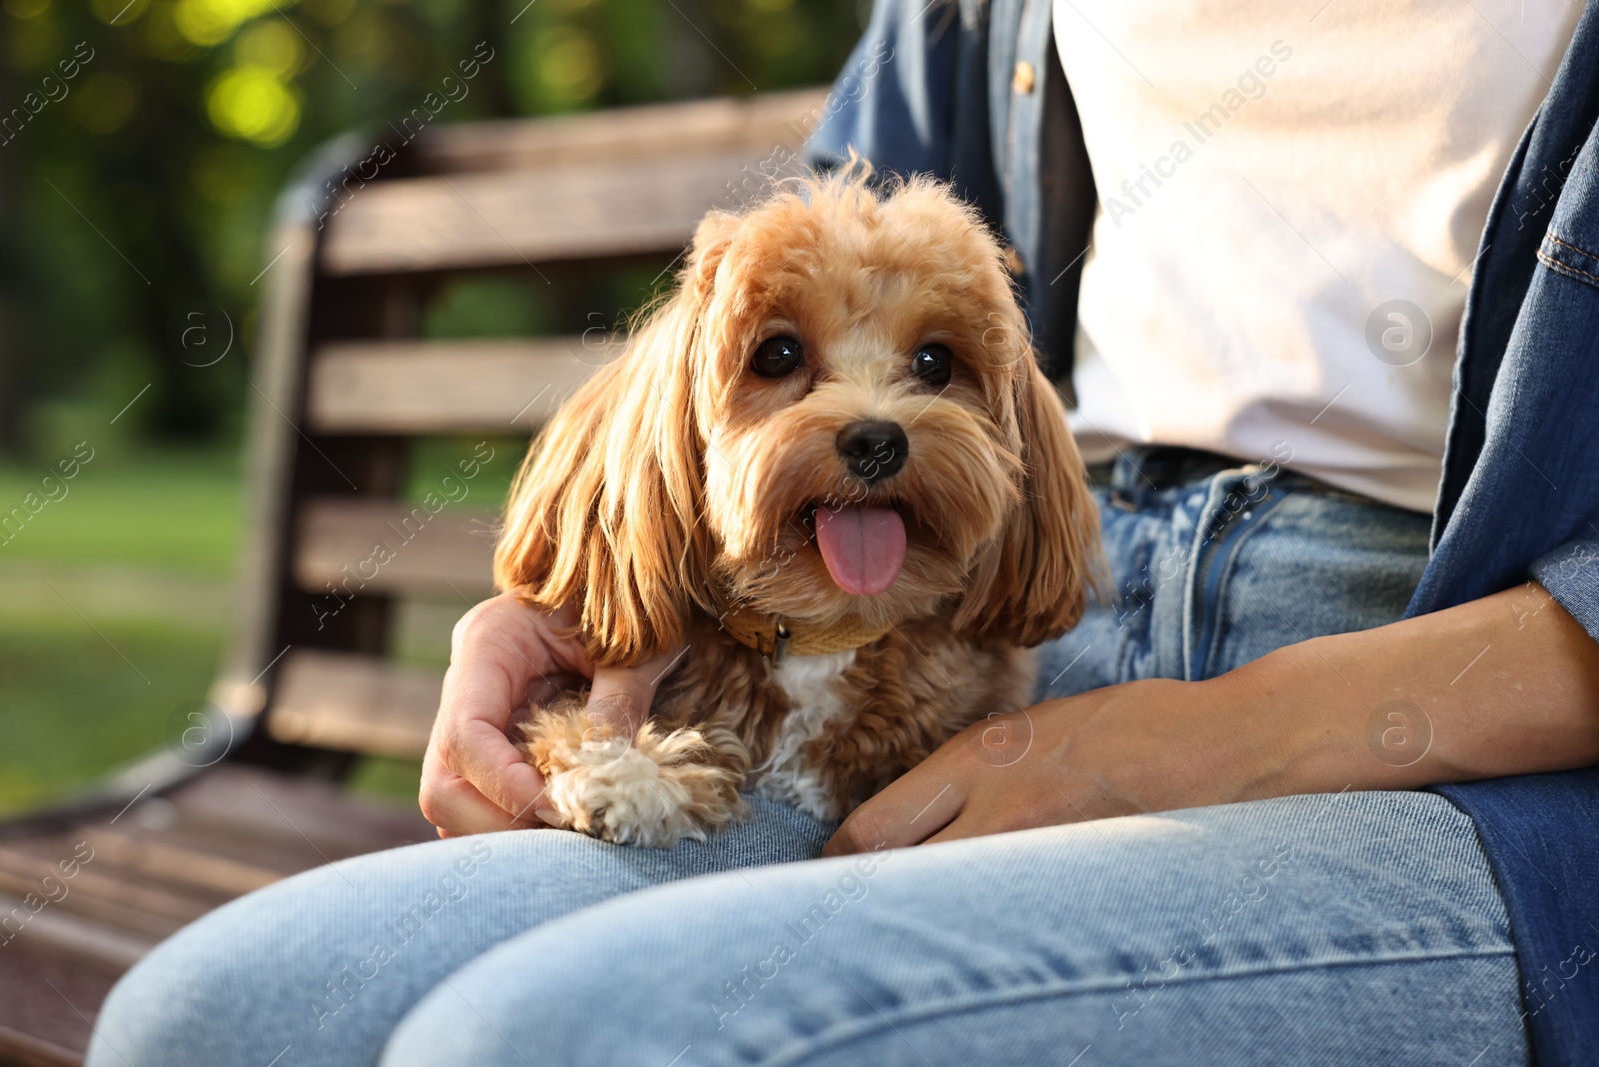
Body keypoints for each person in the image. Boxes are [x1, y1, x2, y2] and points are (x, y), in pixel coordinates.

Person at [90, 2, 1599, 1064]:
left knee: (553, 1042)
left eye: (935, 373)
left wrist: (1190, 739)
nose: (877, 410)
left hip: (1449, 750)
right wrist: (583, 594)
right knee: (219, 1018)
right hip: (940, 683)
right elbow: (778, 300)